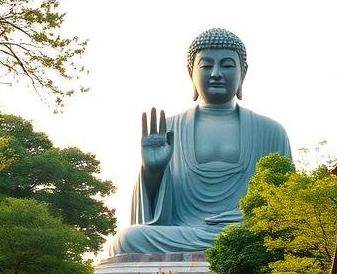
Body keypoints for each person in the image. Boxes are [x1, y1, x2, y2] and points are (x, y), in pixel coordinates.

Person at [108, 28, 293, 255]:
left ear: (243, 72)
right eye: (206, 66)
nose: (216, 73)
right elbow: (155, 220)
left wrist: (249, 222)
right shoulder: (168, 129)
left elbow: (287, 206)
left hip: (247, 233)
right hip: (184, 232)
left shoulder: (271, 131)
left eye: (226, 65)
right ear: (191, 72)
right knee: (127, 239)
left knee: (275, 241)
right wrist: (152, 171)